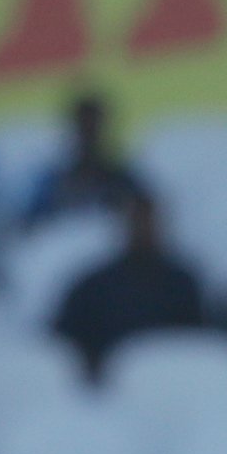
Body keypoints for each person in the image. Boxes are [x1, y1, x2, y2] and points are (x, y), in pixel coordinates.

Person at [50, 193, 207, 375]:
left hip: (170, 384)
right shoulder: (94, 287)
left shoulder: (182, 284)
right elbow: (63, 343)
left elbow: (199, 343)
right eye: (137, 221)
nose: (143, 228)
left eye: (149, 221)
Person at [25, 91, 143, 224]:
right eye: (83, 127)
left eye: (93, 128)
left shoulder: (123, 181)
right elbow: (32, 225)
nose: (88, 136)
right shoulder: (55, 183)